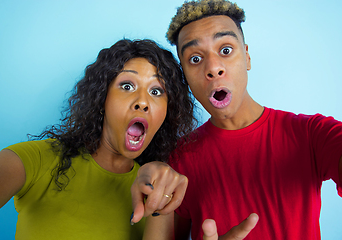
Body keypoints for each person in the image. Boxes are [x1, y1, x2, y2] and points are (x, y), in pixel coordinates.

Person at [142, 0, 342, 239]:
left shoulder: (312, 133)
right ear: (185, 77)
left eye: (225, 50)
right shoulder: (177, 160)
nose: (213, 68)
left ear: (246, 57)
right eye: (195, 58)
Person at [0, 39, 196, 239]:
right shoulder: (36, 160)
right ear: (103, 97)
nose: (143, 102)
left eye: (157, 91)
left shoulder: (163, 191)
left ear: (167, 112)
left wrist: (160, 198)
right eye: (127, 86)